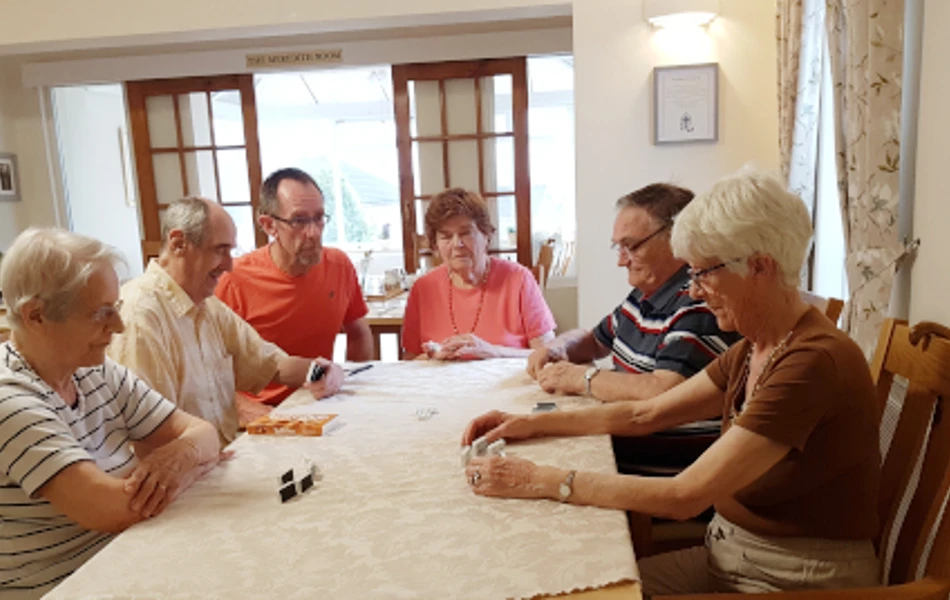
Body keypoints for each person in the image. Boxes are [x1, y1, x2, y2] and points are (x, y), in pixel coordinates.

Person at [461, 168, 881, 595]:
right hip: (733, 554)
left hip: (792, 581)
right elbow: (647, 413)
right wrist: (528, 425)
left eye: (703, 274)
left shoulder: (810, 362)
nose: (695, 291)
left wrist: (538, 479)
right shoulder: (759, 345)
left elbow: (684, 496)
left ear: (760, 267)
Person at [0, 228, 222, 598]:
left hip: (123, 561)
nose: (117, 327)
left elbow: (204, 434)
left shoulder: (93, 369)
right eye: (101, 313)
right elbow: (110, 508)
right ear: (36, 315)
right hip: (61, 587)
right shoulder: (8, 398)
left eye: (115, 309)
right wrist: (187, 469)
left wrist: (181, 455)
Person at [109, 197, 344, 445]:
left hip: (222, 455)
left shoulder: (207, 305)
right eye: (220, 250)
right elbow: (151, 433)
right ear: (179, 243)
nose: (229, 265)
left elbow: (270, 362)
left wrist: (321, 370)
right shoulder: (139, 315)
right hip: (185, 472)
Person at [527, 183, 739, 403]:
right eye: (618, 247)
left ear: (677, 238)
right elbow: (597, 340)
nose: (621, 261)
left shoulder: (698, 301)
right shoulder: (645, 293)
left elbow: (666, 390)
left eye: (632, 247)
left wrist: (583, 378)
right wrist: (558, 347)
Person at [215, 168, 372, 406]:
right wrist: (242, 409)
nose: (313, 232)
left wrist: (351, 385)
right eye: (299, 221)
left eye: (319, 218)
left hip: (319, 400)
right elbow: (207, 365)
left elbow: (359, 334)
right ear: (269, 226)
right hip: (261, 409)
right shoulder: (234, 279)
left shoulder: (338, 265)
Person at [401, 188, 556, 360]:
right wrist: (434, 356)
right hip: (442, 385)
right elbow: (410, 362)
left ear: (486, 236)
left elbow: (549, 355)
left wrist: (494, 352)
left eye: (466, 233)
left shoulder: (519, 279)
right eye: (446, 236)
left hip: (506, 385)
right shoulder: (423, 288)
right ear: (435, 245)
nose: (457, 244)